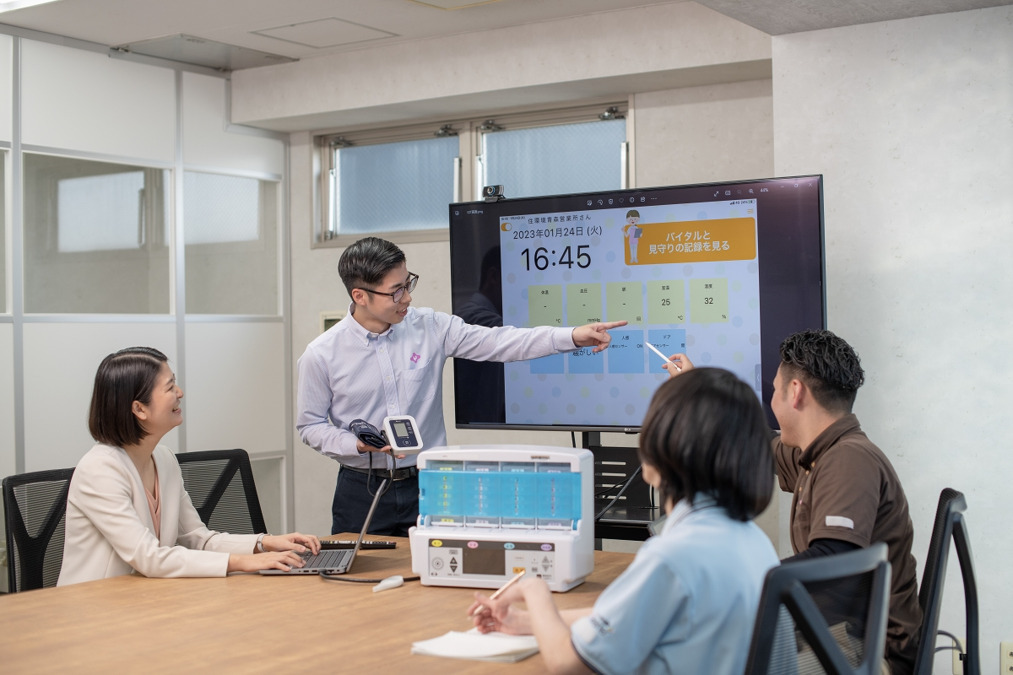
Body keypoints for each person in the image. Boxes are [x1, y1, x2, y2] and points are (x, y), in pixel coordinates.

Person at [297, 236, 627, 537]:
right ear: (360, 296)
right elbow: (310, 425)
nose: (407, 297)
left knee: (437, 582)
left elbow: (501, 342)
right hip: (361, 489)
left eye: (408, 283)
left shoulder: (430, 326)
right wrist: (355, 444)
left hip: (429, 483)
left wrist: (571, 336)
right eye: (396, 290)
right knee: (354, 592)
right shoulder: (322, 354)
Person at [467, 367, 779, 674]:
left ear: (667, 447)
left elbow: (567, 662)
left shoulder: (672, 557)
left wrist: (534, 590)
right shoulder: (753, 541)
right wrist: (526, 621)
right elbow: (627, 618)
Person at [665, 330, 921, 674]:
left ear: (795, 392)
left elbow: (834, 562)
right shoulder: (820, 454)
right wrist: (695, 388)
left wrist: (739, 584)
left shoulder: (848, 460)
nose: (773, 401)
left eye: (774, 390)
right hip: (838, 630)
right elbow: (752, 442)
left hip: (864, 649)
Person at [59, 347, 320, 586]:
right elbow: (149, 557)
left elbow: (198, 539)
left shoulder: (163, 458)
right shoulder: (99, 470)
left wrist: (265, 544)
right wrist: (242, 563)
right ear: (139, 409)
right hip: (95, 610)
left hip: (145, 599)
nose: (180, 393)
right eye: (170, 386)